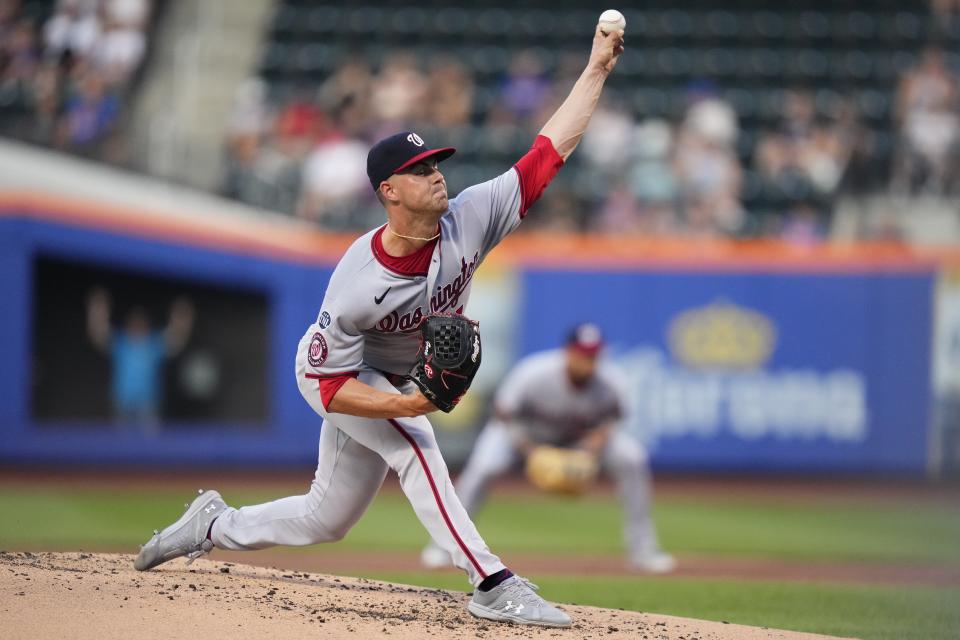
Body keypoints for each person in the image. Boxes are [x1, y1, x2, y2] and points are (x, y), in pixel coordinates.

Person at [134, 25, 625, 629]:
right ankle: (492, 582)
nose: (438, 173)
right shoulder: (359, 282)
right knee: (417, 444)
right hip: (336, 374)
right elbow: (329, 385)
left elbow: (550, 149)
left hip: (390, 374)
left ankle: (211, 523)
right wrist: (414, 400)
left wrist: (598, 66)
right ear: (389, 191)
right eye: (421, 170)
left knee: (326, 518)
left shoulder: (469, 218)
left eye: (436, 162)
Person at [421, 323, 676, 574]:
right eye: (582, 354)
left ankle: (643, 552)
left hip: (576, 442)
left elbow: (615, 419)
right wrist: (532, 451)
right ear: (567, 351)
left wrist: (596, 443)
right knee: (484, 467)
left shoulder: (611, 380)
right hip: (521, 435)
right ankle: (444, 547)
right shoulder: (535, 372)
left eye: (593, 355)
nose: (587, 360)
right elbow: (503, 414)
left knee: (632, 457)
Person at [86, 288, 194, 430]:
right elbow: (99, 334)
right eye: (134, 323)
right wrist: (97, 311)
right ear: (128, 325)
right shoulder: (121, 342)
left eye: (141, 323)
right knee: (121, 443)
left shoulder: (153, 343)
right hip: (123, 401)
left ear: (147, 325)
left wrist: (182, 317)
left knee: (149, 444)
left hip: (148, 403)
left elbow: (175, 338)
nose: (137, 327)